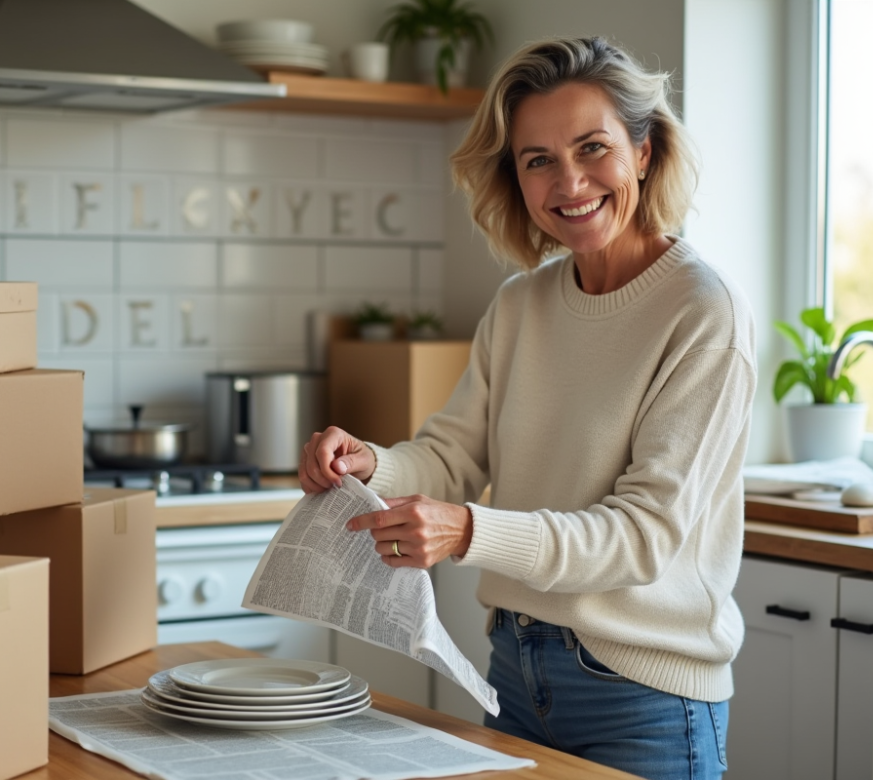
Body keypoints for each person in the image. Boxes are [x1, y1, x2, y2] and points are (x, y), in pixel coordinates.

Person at [298, 36, 755, 780]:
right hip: (513, 671)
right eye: (537, 158)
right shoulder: (520, 304)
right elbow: (452, 455)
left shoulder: (704, 311)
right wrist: (369, 462)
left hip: (642, 700)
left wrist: (467, 529)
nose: (568, 182)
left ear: (644, 150)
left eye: (592, 148)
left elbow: (642, 537)